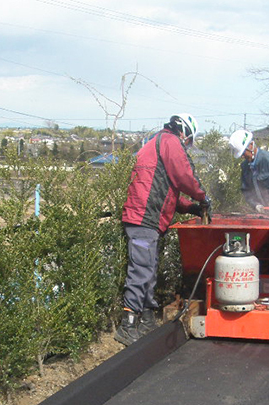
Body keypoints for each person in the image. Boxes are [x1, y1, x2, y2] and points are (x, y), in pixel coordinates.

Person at [117, 113, 210, 346]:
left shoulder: (158, 143)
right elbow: (185, 175)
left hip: (147, 218)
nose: (187, 145)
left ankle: (146, 319)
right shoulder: (170, 142)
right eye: (188, 141)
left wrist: (193, 208)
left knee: (149, 269)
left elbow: (170, 191)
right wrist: (202, 196)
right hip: (144, 217)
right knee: (141, 270)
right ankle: (127, 325)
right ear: (185, 132)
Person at [228, 129, 269, 211]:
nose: (242, 157)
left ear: (251, 145)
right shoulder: (245, 166)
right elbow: (246, 190)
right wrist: (255, 204)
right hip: (261, 214)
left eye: (243, 153)